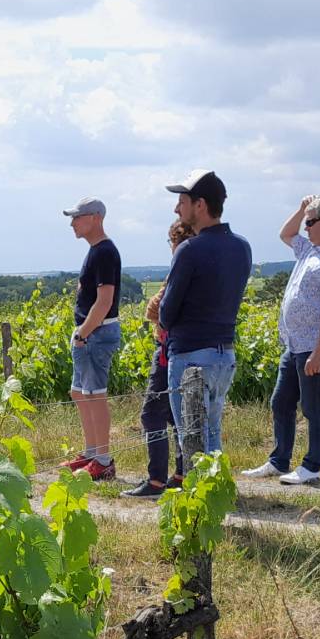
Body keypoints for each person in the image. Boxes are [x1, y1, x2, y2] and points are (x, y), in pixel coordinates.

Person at [246, 196, 320, 486]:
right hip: (294, 344)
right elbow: (285, 234)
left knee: (313, 406)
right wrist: (301, 208)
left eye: (310, 222)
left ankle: (311, 466)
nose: (305, 228)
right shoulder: (310, 251)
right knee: (281, 401)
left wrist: (319, 353)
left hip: (314, 348)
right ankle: (279, 460)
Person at [160, 170, 252, 467]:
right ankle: (217, 490)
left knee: (191, 437)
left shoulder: (188, 250)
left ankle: (198, 500)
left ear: (200, 205)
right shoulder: (242, 247)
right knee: (212, 431)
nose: (177, 209)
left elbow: (167, 312)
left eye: (182, 201)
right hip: (224, 353)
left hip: (189, 354)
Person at [123, 218, 197, 498]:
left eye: (172, 242)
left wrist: (156, 305)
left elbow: (156, 309)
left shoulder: (180, 269)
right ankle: (180, 473)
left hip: (168, 351)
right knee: (175, 415)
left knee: (152, 414)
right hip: (177, 348)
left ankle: (155, 480)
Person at [61, 198, 123, 480]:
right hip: (88, 333)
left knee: (95, 396)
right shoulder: (96, 251)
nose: (72, 223)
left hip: (96, 333)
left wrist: (83, 333)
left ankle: (103, 459)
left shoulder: (105, 252)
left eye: (77, 217)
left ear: (95, 217)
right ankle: (90, 453)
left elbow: (104, 301)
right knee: (80, 393)